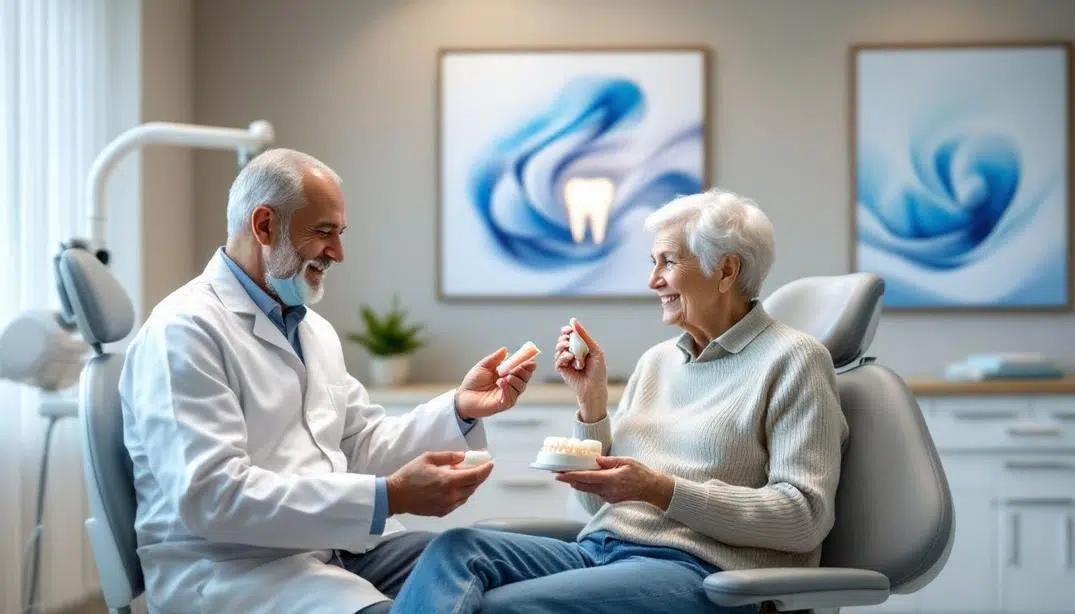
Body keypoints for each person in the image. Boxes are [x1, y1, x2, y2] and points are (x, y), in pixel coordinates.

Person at [389, 188, 850, 613]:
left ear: (726, 270)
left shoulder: (796, 360)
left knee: (505, 607)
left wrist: (660, 489)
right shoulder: (656, 363)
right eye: (654, 262)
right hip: (602, 550)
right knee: (453, 549)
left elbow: (803, 518)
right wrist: (591, 405)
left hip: (703, 572)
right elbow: (601, 509)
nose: (652, 280)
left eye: (667, 262)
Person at [119, 148, 538, 614]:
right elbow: (213, 497)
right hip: (237, 573)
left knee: (498, 577)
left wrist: (460, 408)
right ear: (264, 226)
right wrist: (389, 496)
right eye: (323, 233)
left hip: (337, 551)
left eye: (339, 234)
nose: (338, 252)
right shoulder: (183, 331)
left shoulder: (311, 330)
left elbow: (358, 443)